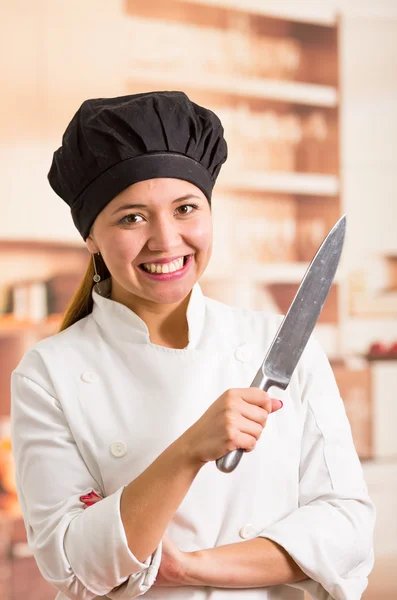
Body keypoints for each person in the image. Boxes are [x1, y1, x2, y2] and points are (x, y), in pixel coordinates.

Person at [10, 91, 375, 600]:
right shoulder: (48, 373)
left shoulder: (280, 344)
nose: (165, 239)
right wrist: (188, 451)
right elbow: (73, 563)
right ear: (91, 236)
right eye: (131, 217)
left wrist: (188, 569)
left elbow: (347, 529)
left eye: (185, 208)